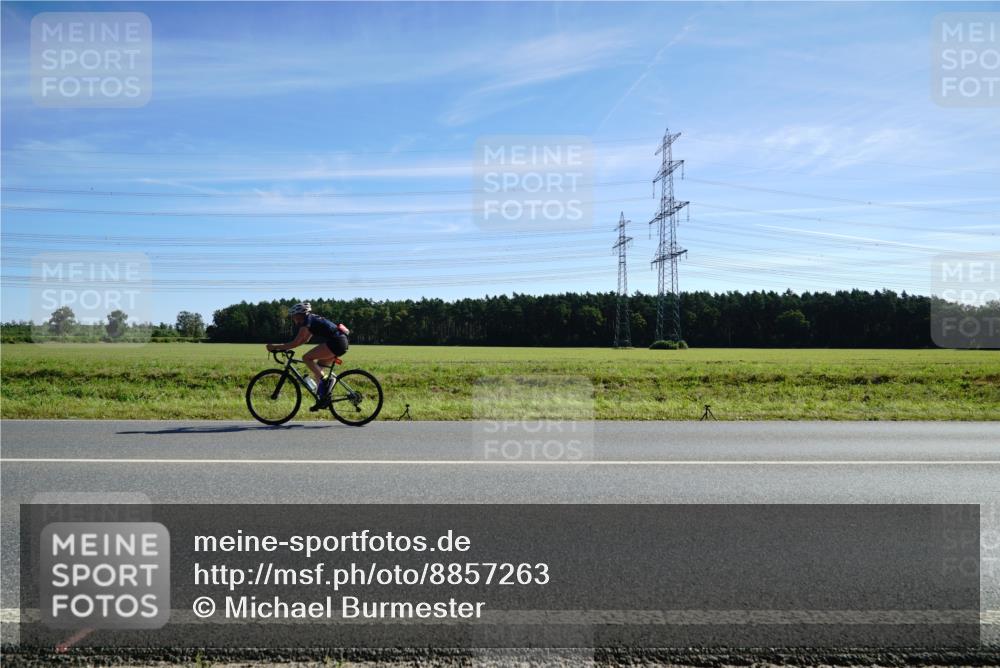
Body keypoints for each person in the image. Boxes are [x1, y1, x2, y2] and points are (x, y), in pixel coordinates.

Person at [266, 302, 349, 410]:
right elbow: (304, 340)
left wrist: (275, 347)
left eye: (294, 316)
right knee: (318, 370)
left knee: (306, 358)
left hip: (336, 342)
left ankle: (328, 382)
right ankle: (323, 399)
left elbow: (295, 342)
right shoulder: (311, 320)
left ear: (300, 314)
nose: (293, 318)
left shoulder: (307, 321)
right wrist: (286, 347)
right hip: (340, 342)